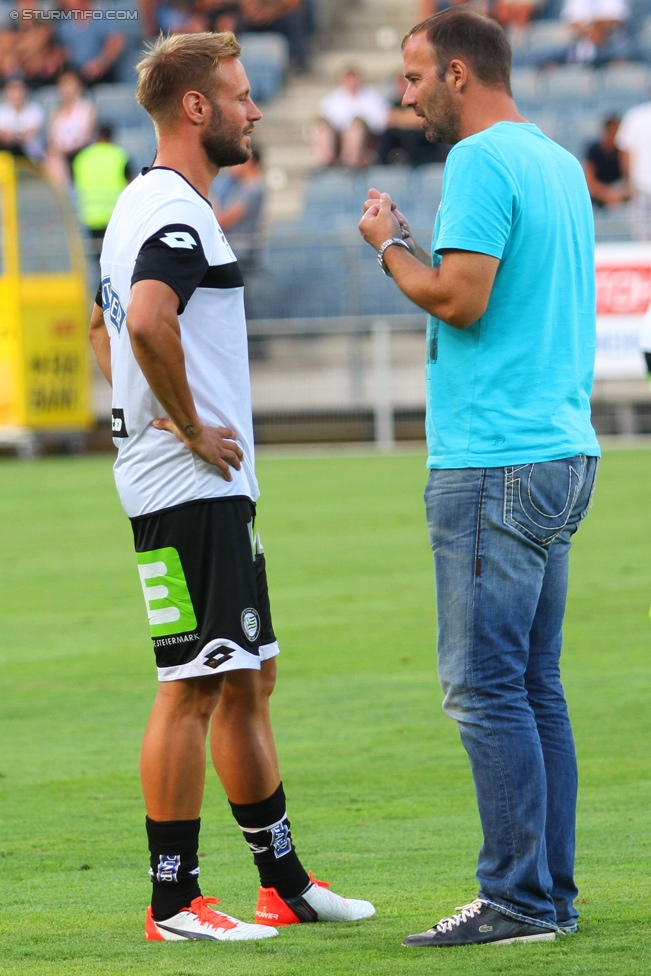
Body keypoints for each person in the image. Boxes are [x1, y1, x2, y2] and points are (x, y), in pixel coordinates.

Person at [88, 30, 375, 943]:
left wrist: (142, 414)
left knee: (246, 673)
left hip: (191, 484)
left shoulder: (142, 203)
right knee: (195, 683)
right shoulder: (174, 208)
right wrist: (176, 419)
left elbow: (101, 331)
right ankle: (173, 902)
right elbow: (142, 322)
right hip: (188, 487)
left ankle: (282, 883)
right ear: (197, 108)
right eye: (243, 95)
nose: (256, 110)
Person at [359, 8, 600, 948]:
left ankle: (516, 900)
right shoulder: (554, 161)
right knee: (534, 685)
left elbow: (458, 300)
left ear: (459, 74)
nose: (404, 94)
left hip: (493, 457)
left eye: (415, 77)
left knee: (483, 688)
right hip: (561, 448)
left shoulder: (479, 162)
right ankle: (550, 894)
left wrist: (387, 243)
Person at [312, 68, 389, 169]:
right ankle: (327, 159)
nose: (351, 83)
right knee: (322, 127)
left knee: (355, 128)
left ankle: (351, 160)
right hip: (339, 140)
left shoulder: (373, 98)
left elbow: (380, 124)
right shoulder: (331, 100)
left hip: (366, 140)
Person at [72, 124, 133, 241]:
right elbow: (131, 184)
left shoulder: (82, 157)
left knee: (97, 254)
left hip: (90, 215)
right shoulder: (120, 155)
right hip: (115, 215)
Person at [209, 146, 265, 268]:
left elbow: (223, 221)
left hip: (240, 252)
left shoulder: (253, 190)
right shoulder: (236, 185)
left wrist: (211, 196)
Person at [44, 70, 96, 188]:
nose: (66, 89)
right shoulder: (55, 111)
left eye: (70, 84)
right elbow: (51, 139)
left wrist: (66, 149)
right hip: (60, 154)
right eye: (63, 85)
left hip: (81, 151)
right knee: (52, 160)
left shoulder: (87, 108)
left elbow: (86, 137)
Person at [615, 97, 651, 240]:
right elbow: (625, 151)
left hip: (640, 182)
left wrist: (627, 181)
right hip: (640, 183)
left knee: (642, 234)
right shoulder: (635, 116)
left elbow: (625, 152)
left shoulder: (635, 115)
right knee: (641, 231)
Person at [582, 116, 630, 208]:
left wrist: (619, 194)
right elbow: (589, 182)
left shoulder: (624, 152)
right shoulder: (594, 150)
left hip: (620, 198)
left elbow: (630, 182)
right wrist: (607, 194)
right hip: (598, 201)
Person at [0, 78, 45, 161]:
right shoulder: (2, 110)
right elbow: (3, 135)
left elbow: (33, 132)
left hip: (31, 155)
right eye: (13, 90)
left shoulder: (35, 109)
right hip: (7, 153)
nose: (17, 94)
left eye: (19, 90)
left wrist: (15, 137)